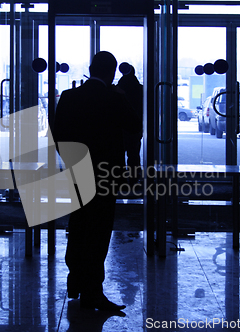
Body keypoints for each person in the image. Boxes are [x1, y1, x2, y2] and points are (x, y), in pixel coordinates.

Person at [52, 51, 141, 311]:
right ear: (112, 72)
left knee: (78, 225)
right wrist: (124, 99)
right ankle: (93, 290)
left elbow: (58, 136)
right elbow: (134, 126)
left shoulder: (69, 97)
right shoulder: (114, 98)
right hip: (106, 175)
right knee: (99, 231)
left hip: (78, 174)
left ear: (90, 69)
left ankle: (75, 280)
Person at [117, 65, 143, 184]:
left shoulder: (118, 88)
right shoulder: (140, 89)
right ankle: (134, 179)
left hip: (119, 127)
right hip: (134, 126)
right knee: (133, 155)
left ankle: (120, 180)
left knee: (118, 155)